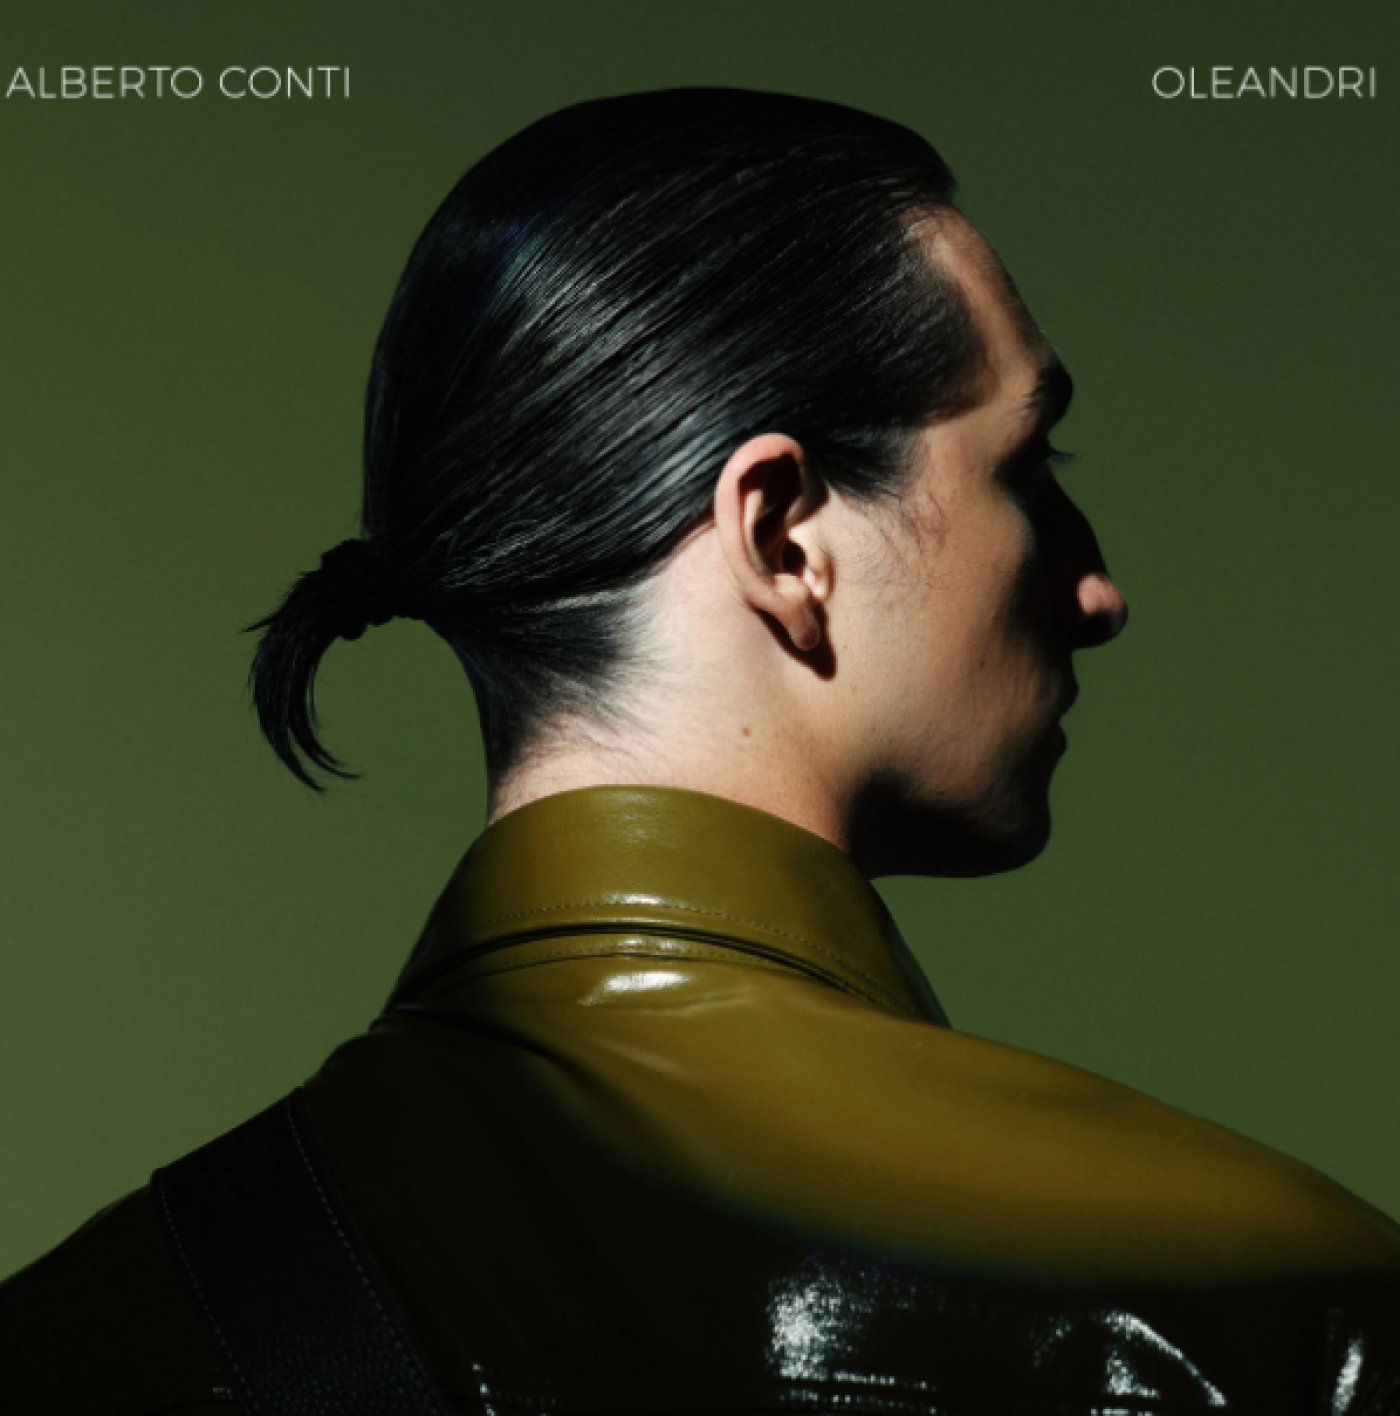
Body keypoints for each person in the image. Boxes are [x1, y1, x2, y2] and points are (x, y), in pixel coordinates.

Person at [3, 86, 1398, 1415]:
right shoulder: (1284, 1304)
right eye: (1032, 467)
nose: (1098, 595)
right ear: (782, 536)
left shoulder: (81, 1332)